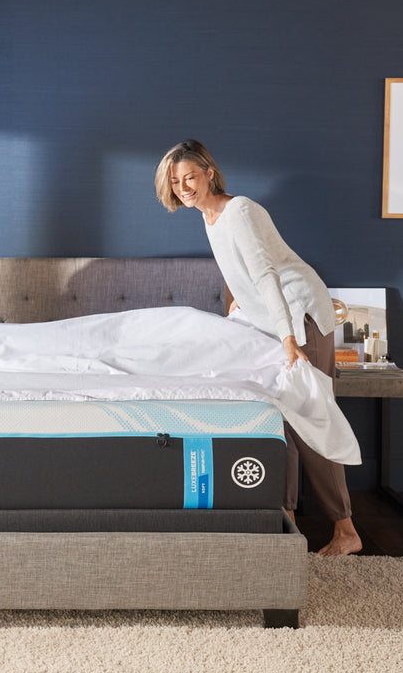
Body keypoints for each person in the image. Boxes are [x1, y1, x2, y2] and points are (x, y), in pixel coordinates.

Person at [154, 139, 362, 556]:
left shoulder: (241, 211)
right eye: (176, 182)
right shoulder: (209, 217)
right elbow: (236, 271)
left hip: (300, 316)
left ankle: (346, 531)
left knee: (312, 416)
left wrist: (288, 338)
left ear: (209, 173)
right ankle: (285, 521)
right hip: (270, 319)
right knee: (278, 419)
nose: (184, 187)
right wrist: (236, 309)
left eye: (190, 177)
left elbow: (267, 275)